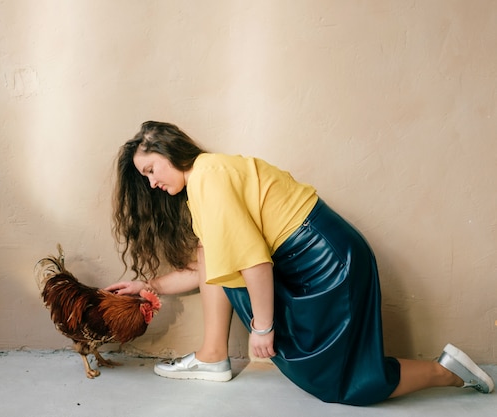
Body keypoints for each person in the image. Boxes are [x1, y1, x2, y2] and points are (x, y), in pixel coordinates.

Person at [105, 121, 494, 406]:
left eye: (150, 170)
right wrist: (147, 285)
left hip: (326, 260)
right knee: (211, 254)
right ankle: (212, 356)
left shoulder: (209, 176)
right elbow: (207, 269)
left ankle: (447, 372)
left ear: (169, 151)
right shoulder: (205, 181)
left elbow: (254, 263)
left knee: (339, 383)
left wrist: (262, 328)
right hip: (312, 255)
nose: (151, 183)